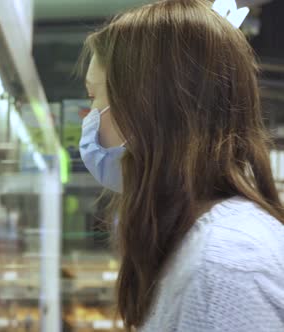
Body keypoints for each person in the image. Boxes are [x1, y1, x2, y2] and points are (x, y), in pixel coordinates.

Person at [78, 0, 284, 331]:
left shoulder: (223, 267)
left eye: (93, 97)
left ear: (149, 110)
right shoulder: (204, 246)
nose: (89, 120)